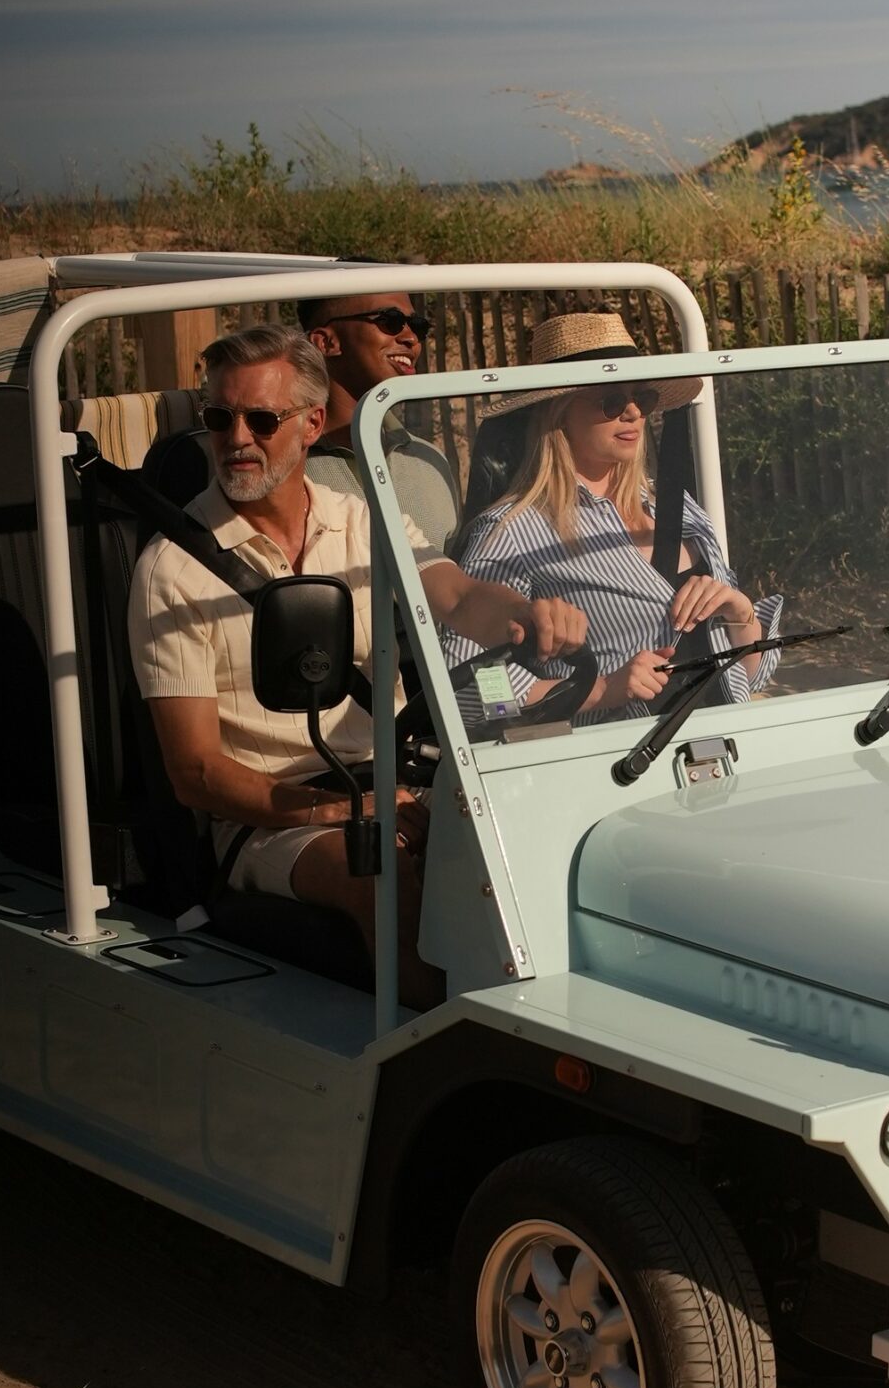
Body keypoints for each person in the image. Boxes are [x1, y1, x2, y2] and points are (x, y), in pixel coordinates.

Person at [128, 323, 586, 1002]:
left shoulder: (363, 517)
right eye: (219, 419)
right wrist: (340, 811)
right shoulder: (172, 568)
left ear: (313, 423)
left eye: (261, 419)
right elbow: (195, 773)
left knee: (553, 830)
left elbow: (455, 595)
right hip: (273, 818)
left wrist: (530, 613)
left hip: (395, 780)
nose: (237, 439)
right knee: (385, 871)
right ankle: (440, 1058)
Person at [448, 309, 780, 723]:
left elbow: (751, 674)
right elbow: (468, 693)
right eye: (611, 399)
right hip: (616, 771)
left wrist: (738, 610)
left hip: (724, 753)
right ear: (558, 411)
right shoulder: (512, 532)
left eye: (642, 398)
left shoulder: (676, 507)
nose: (632, 412)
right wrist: (600, 690)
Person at [297, 282, 460, 550]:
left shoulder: (429, 461)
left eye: (417, 326)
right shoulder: (285, 461)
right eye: (390, 321)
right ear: (325, 342)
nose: (411, 339)